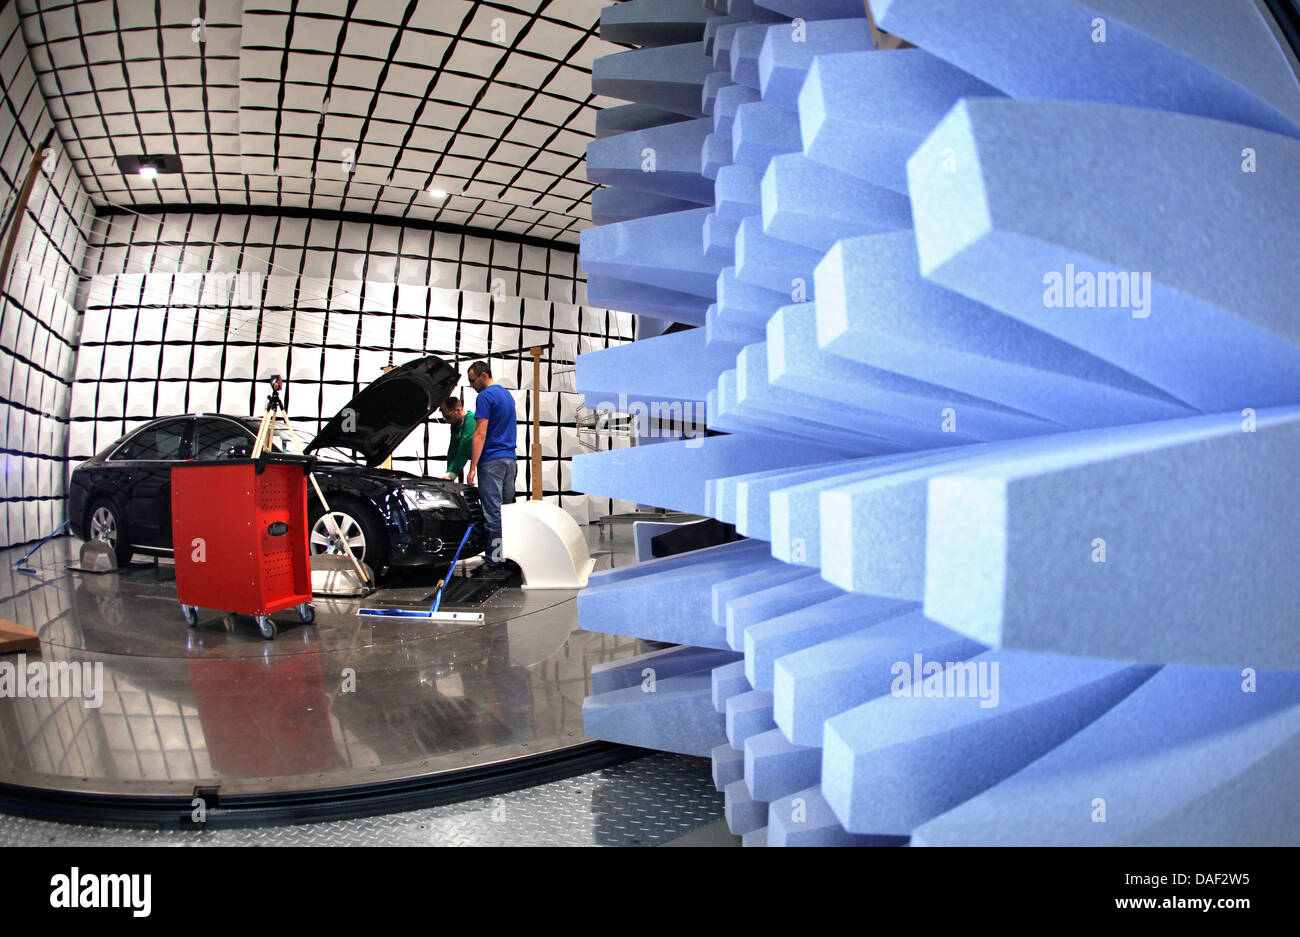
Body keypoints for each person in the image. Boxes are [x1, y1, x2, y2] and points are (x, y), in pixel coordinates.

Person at [465, 361, 517, 568]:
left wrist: (472, 467)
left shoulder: (485, 397)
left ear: (484, 375)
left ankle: (494, 559)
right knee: (507, 512)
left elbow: (480, 433)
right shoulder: (507, 395)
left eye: (472, 380)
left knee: (493, 513)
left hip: (492, 461)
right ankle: (510, 556)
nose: (471, 385)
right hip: (510, 461)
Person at [439, 397, 475, 482]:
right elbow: (453, 449)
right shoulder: (455, 426)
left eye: (448, 416)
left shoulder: (471, 419)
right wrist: (448, 474)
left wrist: (452, 474)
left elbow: (465, 446)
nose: (447, 421)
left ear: (458, 410)